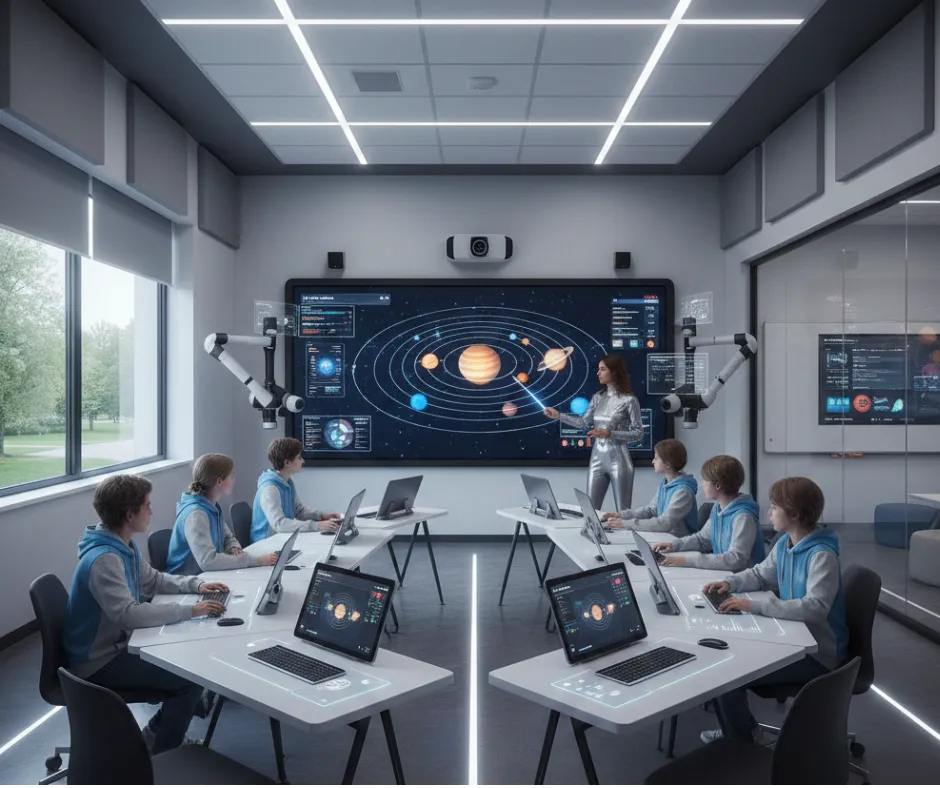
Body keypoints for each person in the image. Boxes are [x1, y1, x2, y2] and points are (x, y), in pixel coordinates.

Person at [63, 474, 230, 753]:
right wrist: (190, 610)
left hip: (116, 645)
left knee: (186, 658)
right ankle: (159, 746)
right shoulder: (105, 559)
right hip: (98, 662)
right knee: (190, 680)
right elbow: (129, 615)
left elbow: (153, 580)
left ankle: (167, 726)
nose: (152, 511)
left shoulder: (121, 544)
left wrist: (197, 584)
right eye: (147, 506)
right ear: (130, 515)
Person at [700, 477, 849, 744]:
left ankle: (740, 744)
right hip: (793, 635)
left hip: (817, 653)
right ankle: (742, 730)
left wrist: (754, 605)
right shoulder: (785, 543)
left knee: (727, 676)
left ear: (795, 514)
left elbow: (815, 608)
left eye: (774, 507)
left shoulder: (821, 556)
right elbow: (759, 575)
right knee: (726, 659)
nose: (768, 513)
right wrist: (730, 582)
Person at [543, 354, 643, 511]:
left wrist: (610, 434)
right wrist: (559, 416)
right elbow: (583, 423)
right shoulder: (597, 398)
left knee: (623, 513)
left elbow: (638, 433)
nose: (598, 373)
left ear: (614, 372)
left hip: (619, 459)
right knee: (590, 510)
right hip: (597, 458)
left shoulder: (629, 400)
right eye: (599, 369)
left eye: (603, 369)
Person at [167, 453, 277, 575]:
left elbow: (227, 537)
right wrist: (257, 561)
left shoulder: (212, 507)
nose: (234, 480)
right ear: (219, 481)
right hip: (187, 583)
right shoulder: (197, 515)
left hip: (206, 578)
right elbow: (208, 561)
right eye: (232, 476)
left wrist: (232, 547)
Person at [652, 455, 764, 570]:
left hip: (742, 581)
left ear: (718, 485)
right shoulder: (718, 508)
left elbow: (735, 560)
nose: (702, 485)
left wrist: (687, 560)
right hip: (726, 576)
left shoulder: (743, 517)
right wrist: (674, 545)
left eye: (705, 481)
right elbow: (702, 540)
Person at [251, 438, 343, 544]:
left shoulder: (287, 482)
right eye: (299, 457)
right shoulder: (270, 489)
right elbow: (280, 524)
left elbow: (299, 512)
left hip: (282, 539)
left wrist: (322, 516)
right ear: (287, 462)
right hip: (266, 545)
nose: (302, 461)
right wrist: (316, 526)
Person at [600, 438, 698, 536]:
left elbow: (664, 523)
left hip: (677, 543)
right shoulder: (664, 483)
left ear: (667, 464)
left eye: (656, 458)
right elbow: (651, 510)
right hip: (665, 538)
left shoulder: (683, 492)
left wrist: (625, 524)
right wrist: (620, 515)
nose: (652, 461)